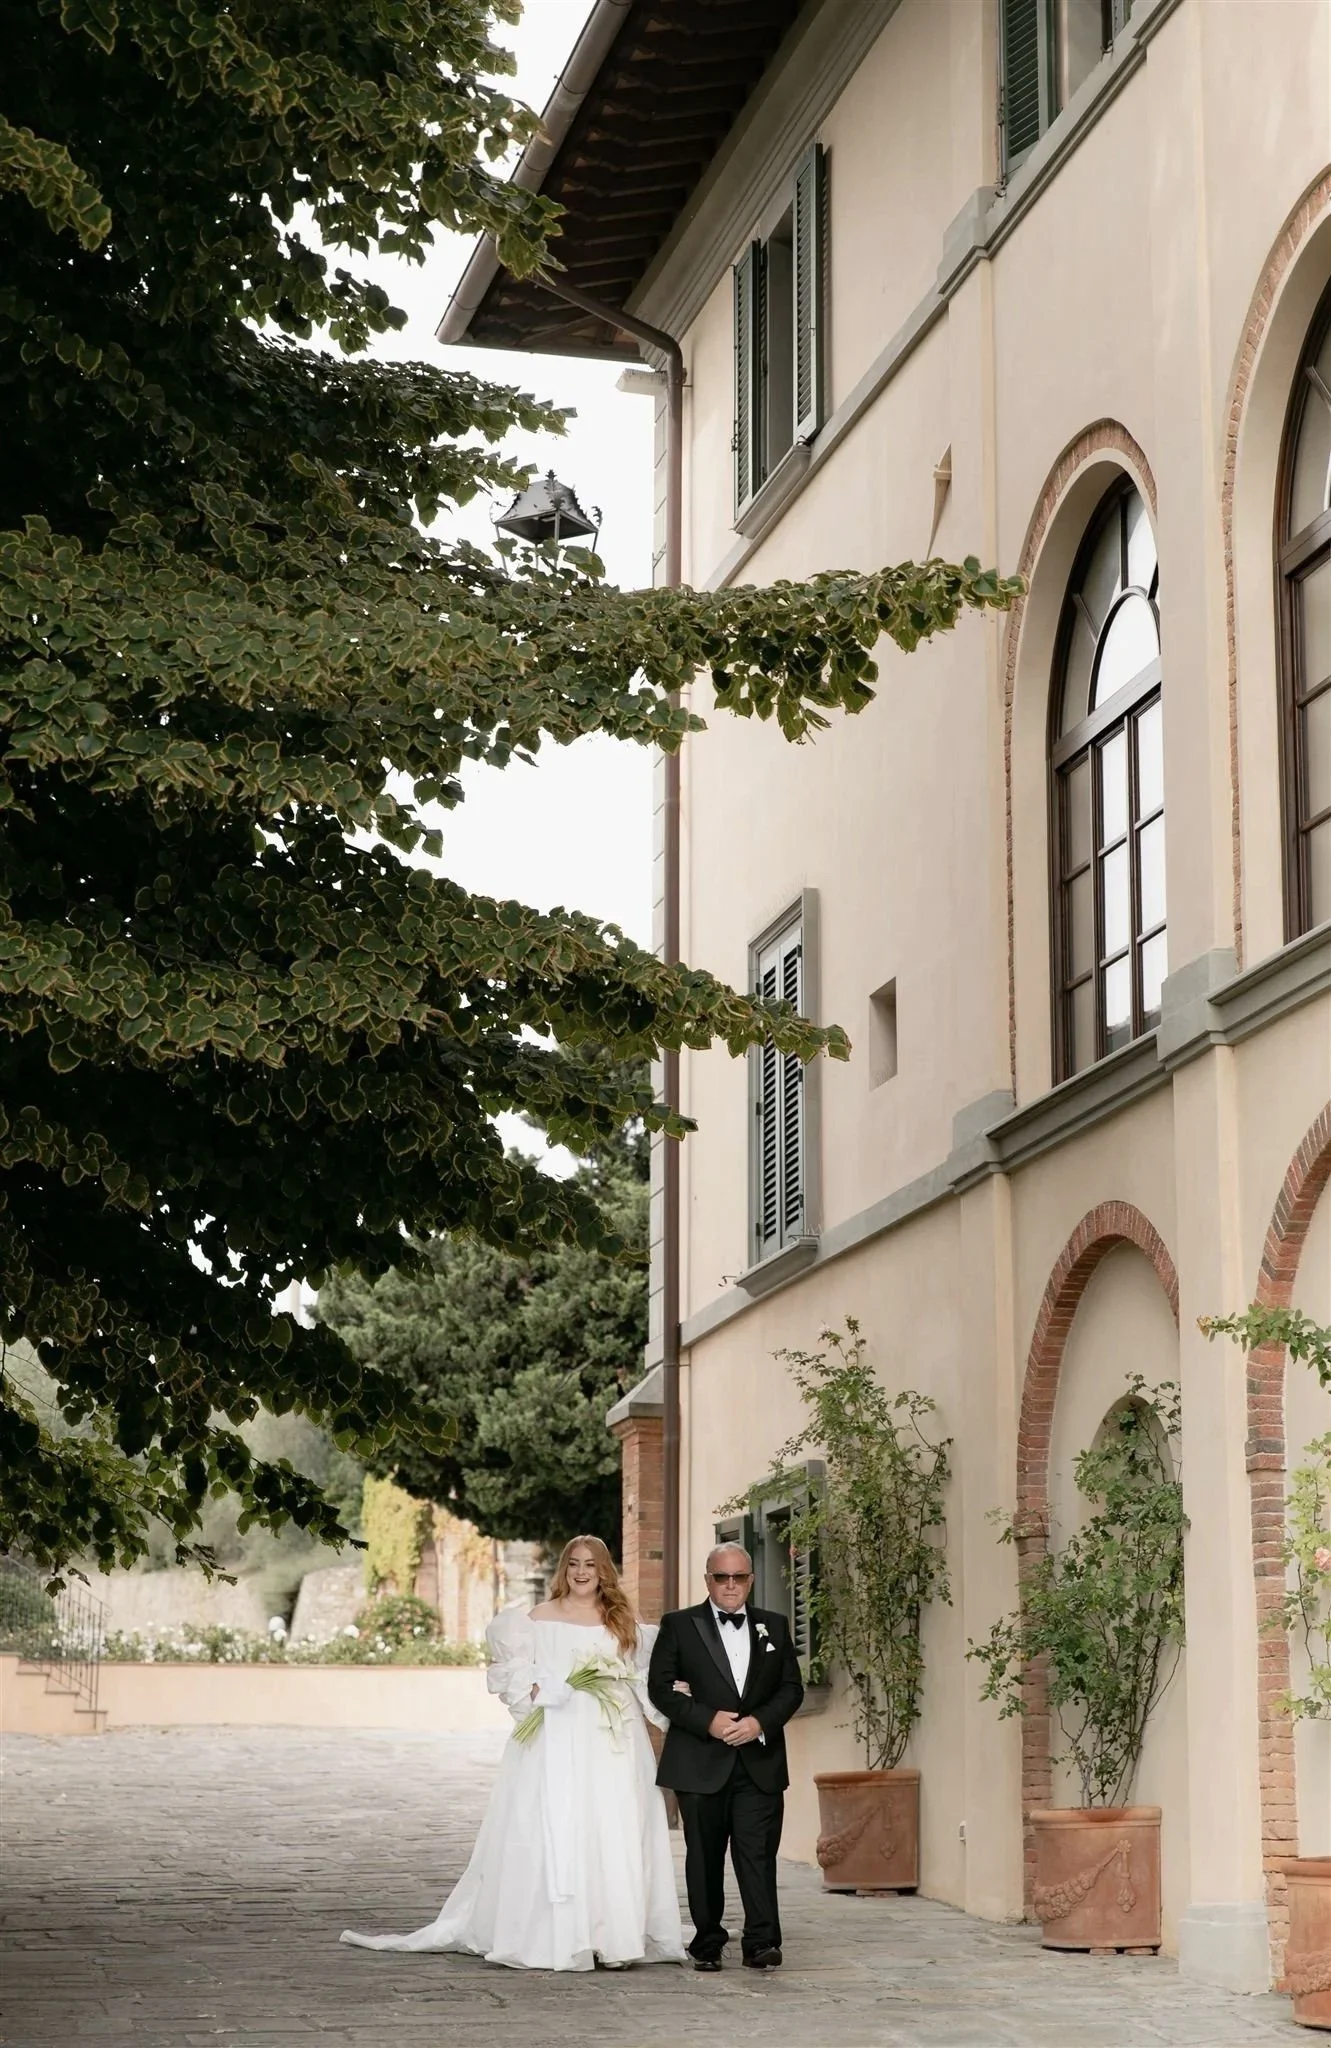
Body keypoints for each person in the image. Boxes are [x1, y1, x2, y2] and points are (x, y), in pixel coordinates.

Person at [340, 1535, 685, 1972]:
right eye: (574, 1564)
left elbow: (642, 1680)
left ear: (604, 1571)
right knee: (557, 1823)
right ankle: (560, 1932)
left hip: (614, 1739)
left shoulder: (623, 1622)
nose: (582, 1572)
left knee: (612, 1827)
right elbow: (520, 1681)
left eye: (591, 1565)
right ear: (564, 1569)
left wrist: (677, 1710)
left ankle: (613, 1936)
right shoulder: (535, 1619)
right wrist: (537, 1690)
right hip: (557, 1737)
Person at [647, 1542, 804, 1972]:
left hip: (759, 1763)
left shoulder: (775, 1624)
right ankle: (708, 1942)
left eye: (739, 1577)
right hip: (699, 1762)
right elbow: (659, 1689)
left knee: (757, 1854)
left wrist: (758, 1723)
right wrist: (708, 1721)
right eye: (722, 1577)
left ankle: (762, 1941)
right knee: (704, 1855)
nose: (731, 1585)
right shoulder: (679, 1625)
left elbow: (792, 1688)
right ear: (708, 1580)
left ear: (751, 1580)